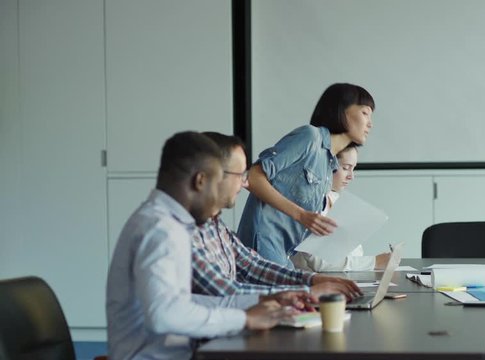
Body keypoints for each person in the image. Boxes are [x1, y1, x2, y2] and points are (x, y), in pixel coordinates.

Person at [106, 131, 310, 360]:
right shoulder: (160, 229)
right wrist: (245, 318)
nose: (217, 201)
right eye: (215, 184)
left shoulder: (170, 223)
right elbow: (164, 314)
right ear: (200, 181)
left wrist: (263, 300)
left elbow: (183, 302)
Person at [191, 132, 362, 298]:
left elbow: (253, 266)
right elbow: (227, 293)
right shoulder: (183, 234)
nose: (245, 182)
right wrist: (306, 291)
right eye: (238, 175)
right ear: (201, 180)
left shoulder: (216, 227)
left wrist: (313, 280)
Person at [237, 83, 375, 268]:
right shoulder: (310, 137)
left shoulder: (329, 165)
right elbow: (253, 177)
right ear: (342, 111)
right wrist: (301, 215)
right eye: (365, 113)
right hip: (263, 245)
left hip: (283, 252)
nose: (370, 123)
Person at [291, 145, 391, 271]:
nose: (351, 176)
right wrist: (374, 262)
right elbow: (320, 263)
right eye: (345, 168)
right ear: (326, 166)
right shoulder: (306, 204)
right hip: (307, 283)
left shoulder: (335, 198)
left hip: (333, 279)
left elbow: (355, 252)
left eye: (353, 169)